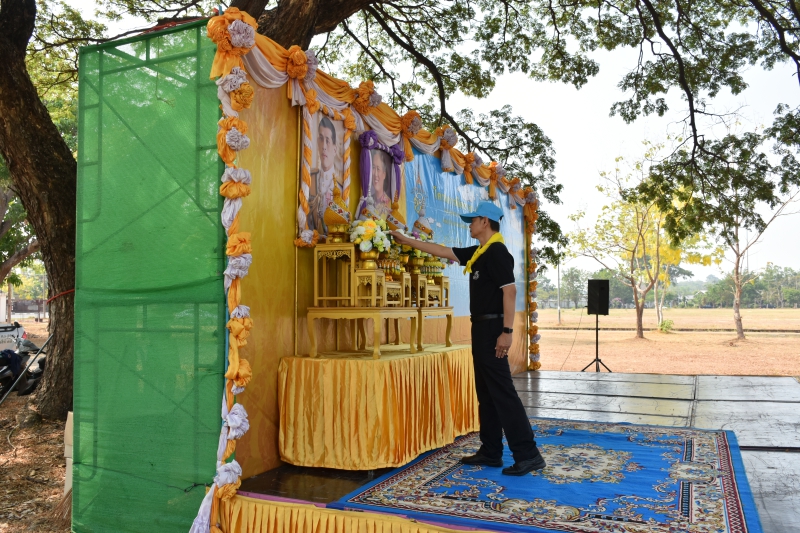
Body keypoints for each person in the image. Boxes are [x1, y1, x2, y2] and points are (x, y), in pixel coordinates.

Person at [390, 201, 546, 476]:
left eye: (473, 220)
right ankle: (491, 450)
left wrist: (507, 332)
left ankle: (528, 454)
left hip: (494, 329)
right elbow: (442, 251)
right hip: (481, 328)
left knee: (503, 392)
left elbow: (509, 292)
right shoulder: (479, 253)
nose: (470, 225)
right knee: (486, 392)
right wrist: (406, 240)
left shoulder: (497, 252)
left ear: (485, 221)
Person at [309, 116, 340, 233]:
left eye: (328, 141)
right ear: (317, 142)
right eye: (321, 139)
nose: (324, 146)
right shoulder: (310, 179)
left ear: (335, 149)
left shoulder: (340, 187)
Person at [370, 149, 393, 214]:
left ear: (384, 174)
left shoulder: (389, 203)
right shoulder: (369, 200)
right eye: (373, 167)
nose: (375, 174)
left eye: (378, 169)